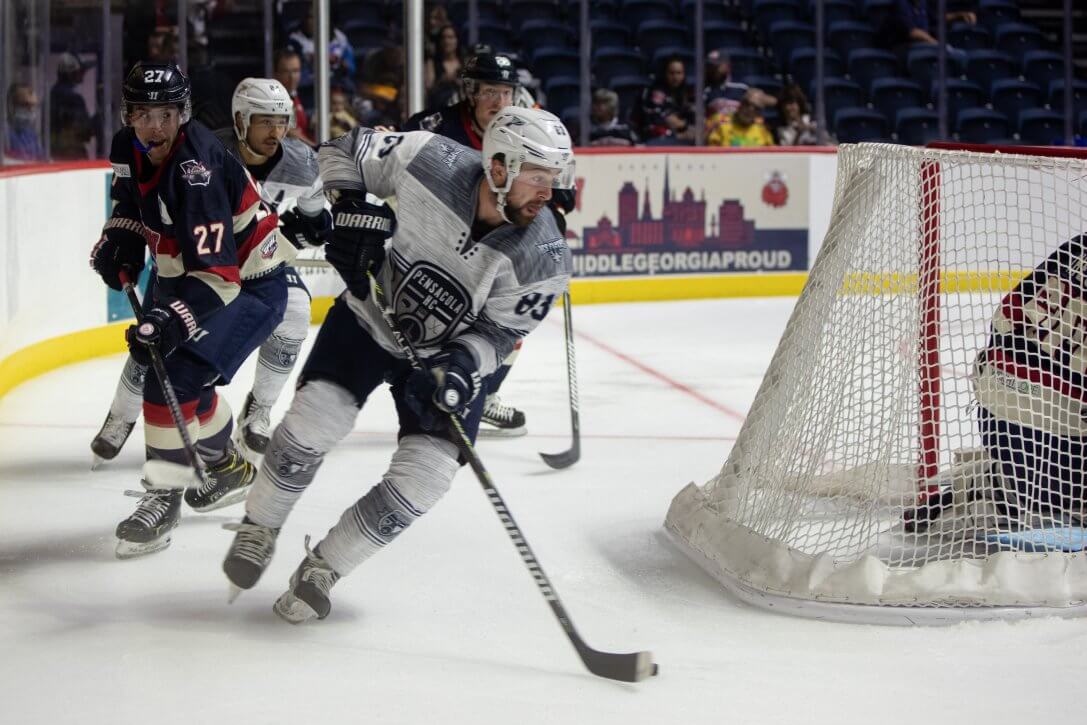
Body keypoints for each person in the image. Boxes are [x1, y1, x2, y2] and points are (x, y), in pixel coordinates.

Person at [220, 106, 575, 623]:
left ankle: (325, 567)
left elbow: (502, 334)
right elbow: (339, 150)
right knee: (312, 424)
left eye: (554, 178)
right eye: (537, 177)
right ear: (498, 166)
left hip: (445, 362)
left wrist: (460, 366)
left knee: (426, 479)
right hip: (368, 318)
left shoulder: (544, 256)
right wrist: (351, 208)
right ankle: (261, 524)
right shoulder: (429, 158)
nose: (549, 193)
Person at [89, 62, 292, 558]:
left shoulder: (195, 170)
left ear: (182, 114)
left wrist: (168, 318)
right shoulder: (128, 145)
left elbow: (220, 277)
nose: (154, 127)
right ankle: (224, 468)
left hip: (250, 284)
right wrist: (122, 237)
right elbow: (130, 198)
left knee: (169, 376)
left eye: (165, 114)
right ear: (128, 115)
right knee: (185, 379)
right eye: (143, 114)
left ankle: (163, 495)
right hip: (189, 273)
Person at [90, 77, 331, 463]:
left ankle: (260, 410)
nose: (275, 132)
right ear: (240, 119)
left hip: (253, 259)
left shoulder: (300, 162)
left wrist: (311, 225)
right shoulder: (205, 151)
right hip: (193, 260)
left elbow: (317, 205)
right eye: (264, 121)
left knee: (297, 311)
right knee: (154, 333)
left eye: (281, 121)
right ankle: (121, 415)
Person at [404, 51, 547, 436]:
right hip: (432, 248)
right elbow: (395, 157)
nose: (498, 103)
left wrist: (557, 215)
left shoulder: (526, 133)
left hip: (487, 251)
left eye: (505, 93)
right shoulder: (436, 126)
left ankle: (483, 396)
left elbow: (556, 191)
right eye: (489, 93)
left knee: (511, 318)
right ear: (469, 93)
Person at [972, 236, 1087, 528]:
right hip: (1063, 463)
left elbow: (1003, 320)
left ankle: (1004, 483)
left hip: (996, 425)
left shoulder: (1076, 247)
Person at [635, 55, 696, 145]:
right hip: (656, 139)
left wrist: (685, 126)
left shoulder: (687, 92)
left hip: (682, 137)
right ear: (665, 73)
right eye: (671, 73)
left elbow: (694, 119)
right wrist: (681, 129)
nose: (675, 77)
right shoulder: (655, 92)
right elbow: (658, 121)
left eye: (679, 73)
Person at [50, 53, 97, 160]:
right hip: (73, 155)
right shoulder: (74, 99)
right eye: (81, 71)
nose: (83, 74)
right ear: (72, 74)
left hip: (55, 155)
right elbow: (84, 133)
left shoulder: (51, 96)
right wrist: (96, 122)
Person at [273, 48, 314, 145]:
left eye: (296, 71)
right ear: (275, 74)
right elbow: (291, 134)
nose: (292, 77)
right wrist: (318, 149)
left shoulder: (294, 95)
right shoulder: (275, 100)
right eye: (286, 71)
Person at [707, 95, 775, 147]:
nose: (750, 110)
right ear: (740, 104)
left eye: (756, 108)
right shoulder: (721, 121)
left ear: (759, 113)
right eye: (747, 104)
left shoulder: (762, 128)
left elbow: (771, 155)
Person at [424, 24, 464, 106]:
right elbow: (428, 89)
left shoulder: (464, 62)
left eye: (450, 37)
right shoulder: (432, 63)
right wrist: (442, 81)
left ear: (457, 40)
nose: (446, 41)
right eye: (443, 38)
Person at [6, 83, 45, 161]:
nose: (31, 110)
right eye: (25, 105)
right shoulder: (4, 134)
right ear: (11, 106)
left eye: (34, 105)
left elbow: (42, 159)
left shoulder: (31, 135)